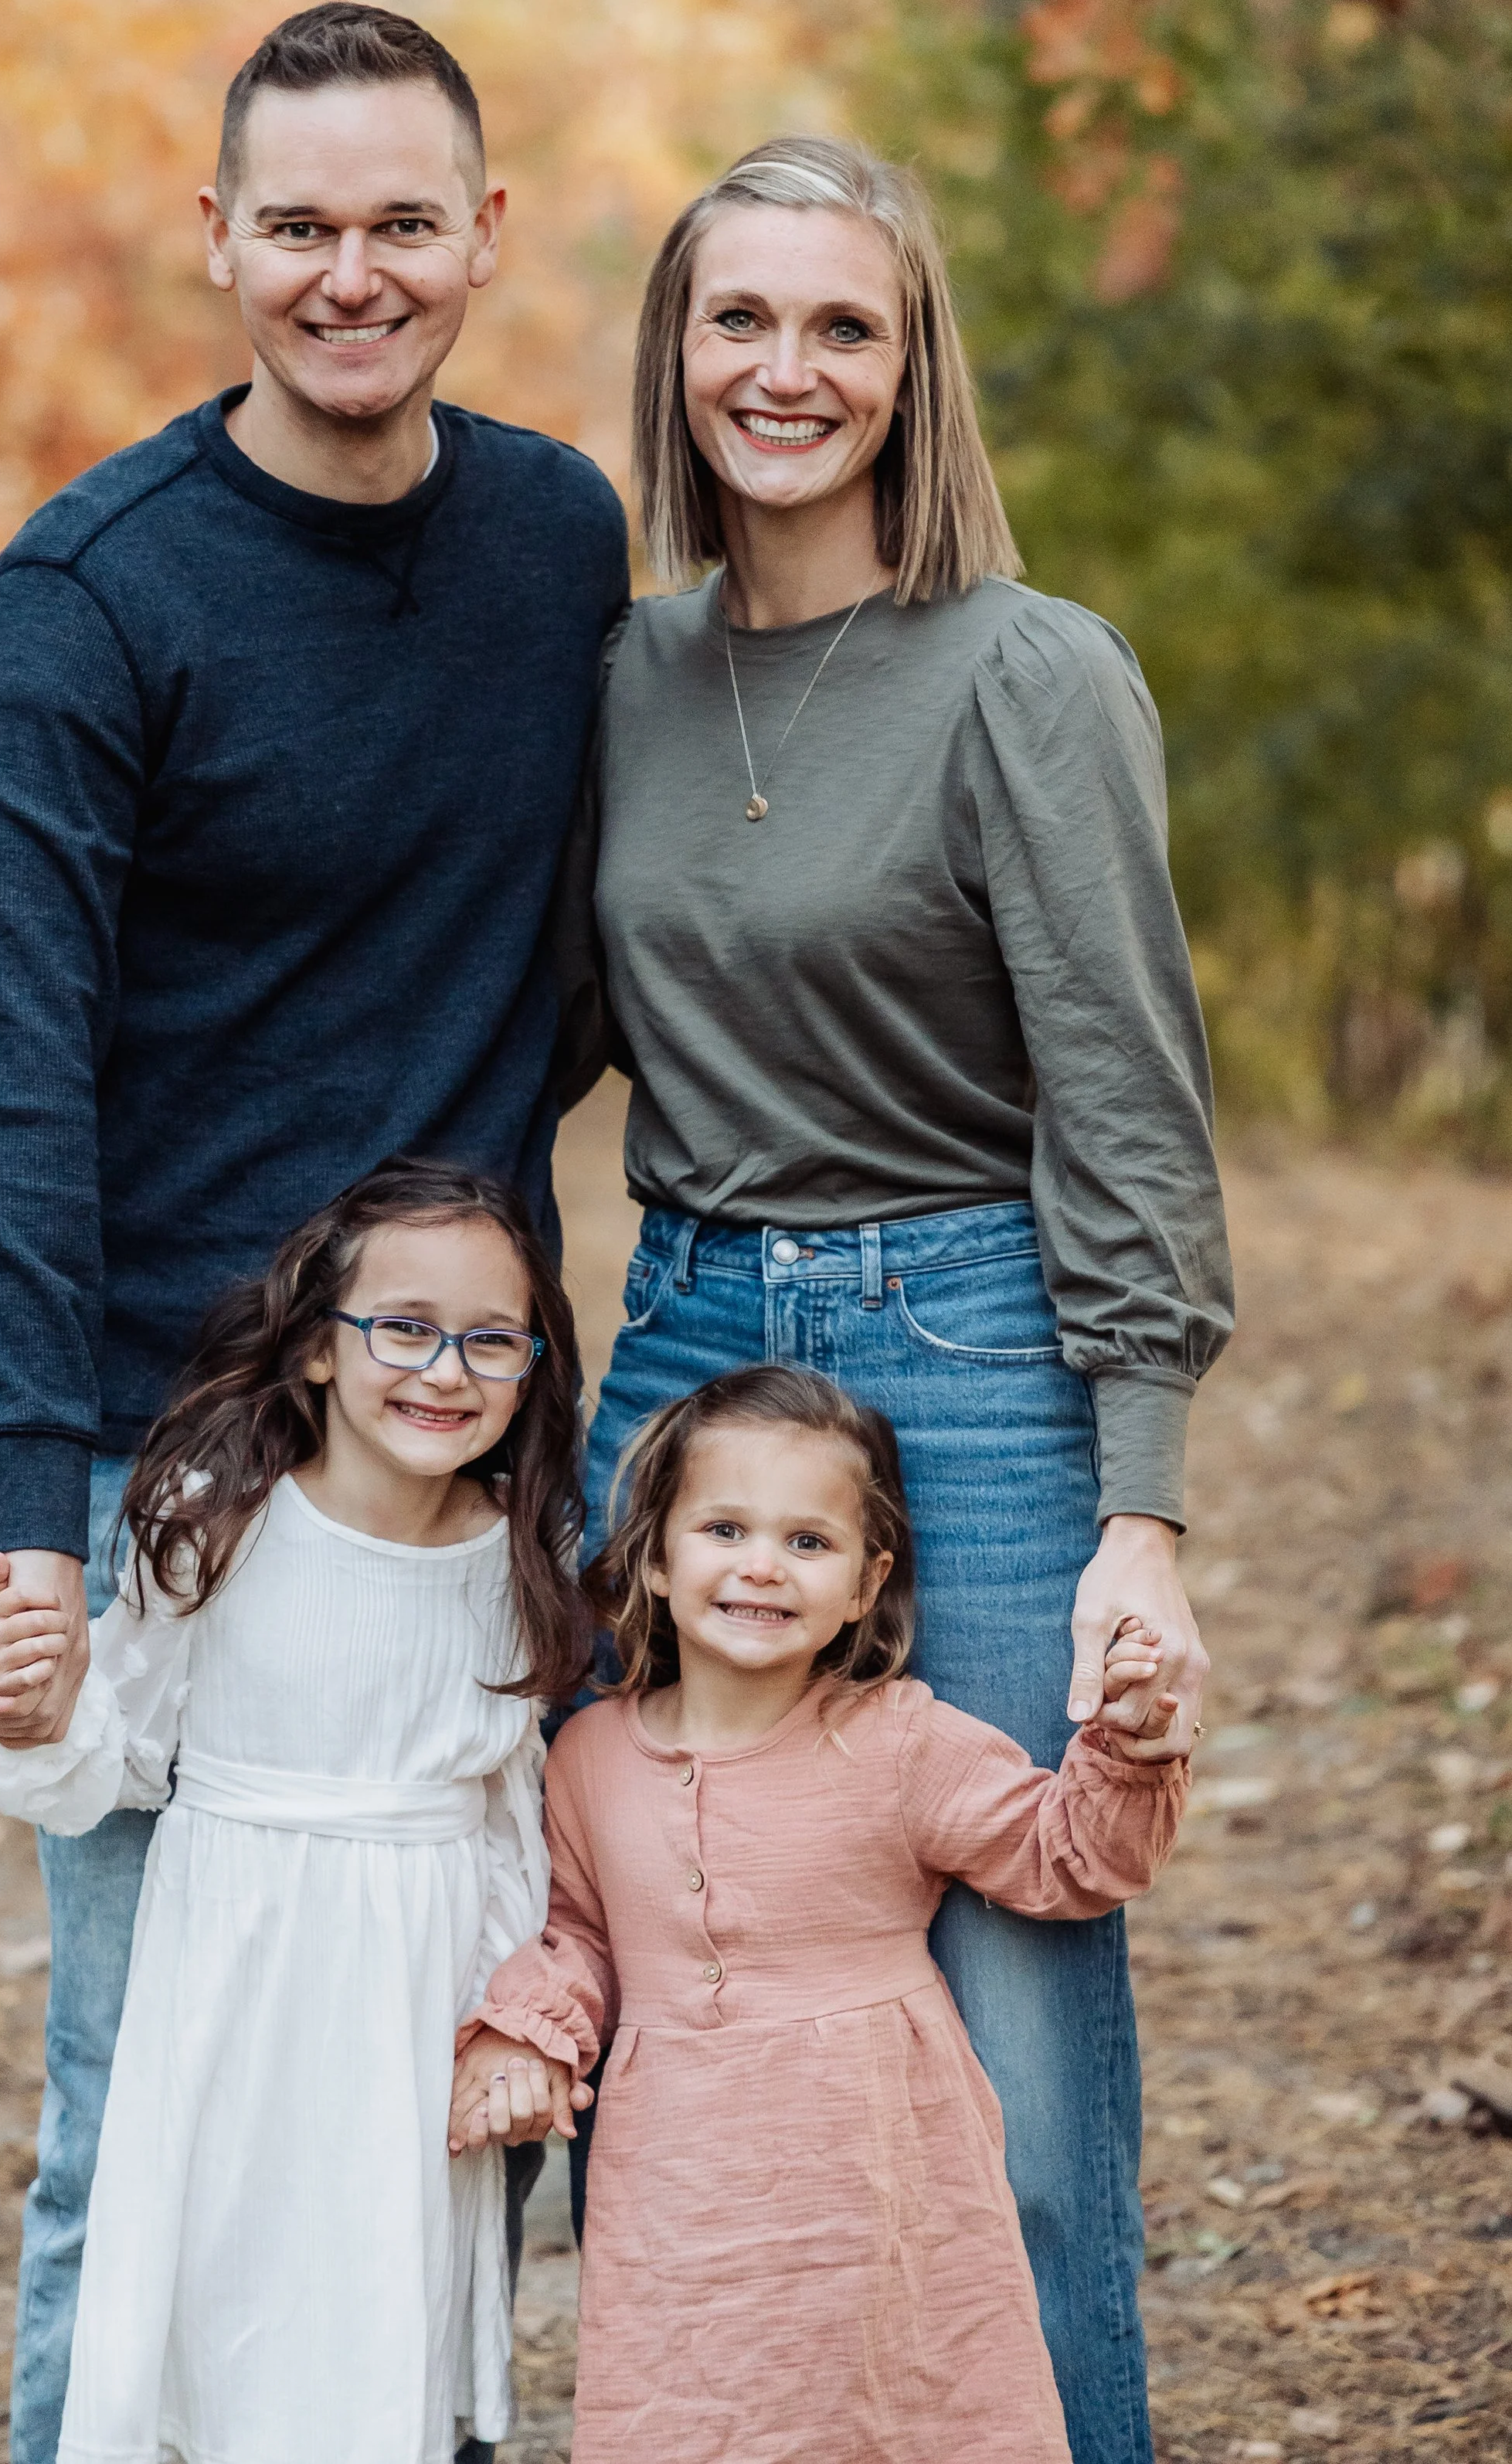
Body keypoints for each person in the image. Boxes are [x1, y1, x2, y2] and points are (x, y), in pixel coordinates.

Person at [0, 0, 629, 2464]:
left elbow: (572, 945)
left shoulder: (556, 540)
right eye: (299, 224)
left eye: (400, 221)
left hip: (461, 1447)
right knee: (144, 2112)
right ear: (214, 235)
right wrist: (39, 1508)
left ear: (482, 235)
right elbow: (3, 1070)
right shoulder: (88, 593)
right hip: (172, 1458)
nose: (353, 272)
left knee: (469, 2085)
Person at [555, 135, 1233, 2464]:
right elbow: (516, 1023)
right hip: (680, 1367)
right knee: (673, 2014)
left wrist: (1137, 1502)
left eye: (842, 324)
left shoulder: (1026, 674)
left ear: (911, 365)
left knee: (1022, 2081)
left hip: (971, 1342)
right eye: (739, 317)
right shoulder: (620, 677)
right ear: (675, 351)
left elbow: (1124, 1101)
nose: (786, 367)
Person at [0, 1164, 590, 2464]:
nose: (445, 1369)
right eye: (403, 1326)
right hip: (237, 1990)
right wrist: (36, 1719)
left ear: (533, 1365)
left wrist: (507, 2015)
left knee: (375, 2301)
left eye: (491, 1339)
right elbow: (119, 1755)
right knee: (222, 2293)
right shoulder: (218, 1527)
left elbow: (504, 1825)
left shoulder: (520, 1555)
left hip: (413, 2004)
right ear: (315, 1343)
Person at [450, 1365, 1188, 2463]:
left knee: (902, 2408)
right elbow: (582, 1937)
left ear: (865, 1582)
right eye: (725, 1527)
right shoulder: (591, 1753)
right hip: (682, 2200)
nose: (761, 1564)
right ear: (654, 1556)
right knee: (697, 2413)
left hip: (880, 2178)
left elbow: (1066, 1858)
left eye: (808, 1541)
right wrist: (529, 2031)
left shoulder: (898, 1739)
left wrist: (1127, 1746)